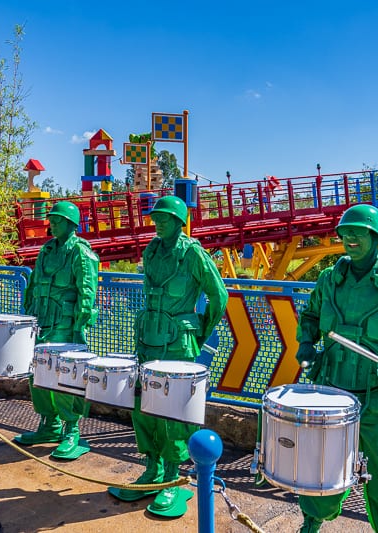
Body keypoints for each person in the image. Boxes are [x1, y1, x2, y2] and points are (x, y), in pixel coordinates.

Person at [295, 204, 378, 533]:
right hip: (331, 397)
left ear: (376, 237)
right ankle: (311, 524)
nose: (350, 237)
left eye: (359, 232)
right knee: (320, 473)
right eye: (345, 232)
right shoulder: (329, 279)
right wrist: (306, 348)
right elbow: (311, 318)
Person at [108, 195, 228, 518]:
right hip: (149, 340)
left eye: (164, 217)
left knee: (173, 411)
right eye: (155, 217)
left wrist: (198, 330)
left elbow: (219, 295)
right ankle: (152, 469)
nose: (157, 221)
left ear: (179, 220)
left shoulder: (192, 254)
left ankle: (173, 479)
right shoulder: (152, 251)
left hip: (178, 343)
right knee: (144, 406)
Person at [13, 201, 99, 461]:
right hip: (41, 321)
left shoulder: (81, 252)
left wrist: (80, 324)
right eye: (52, 220)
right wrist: (28, 314)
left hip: (65, 325)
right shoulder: (47, 250)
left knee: (66, 378)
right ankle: (48, 424)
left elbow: (87, 290)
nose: (52, 224)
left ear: (71, 224)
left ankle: (71, 429)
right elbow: (34, 283)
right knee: (37, 375)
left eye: (58, 220)